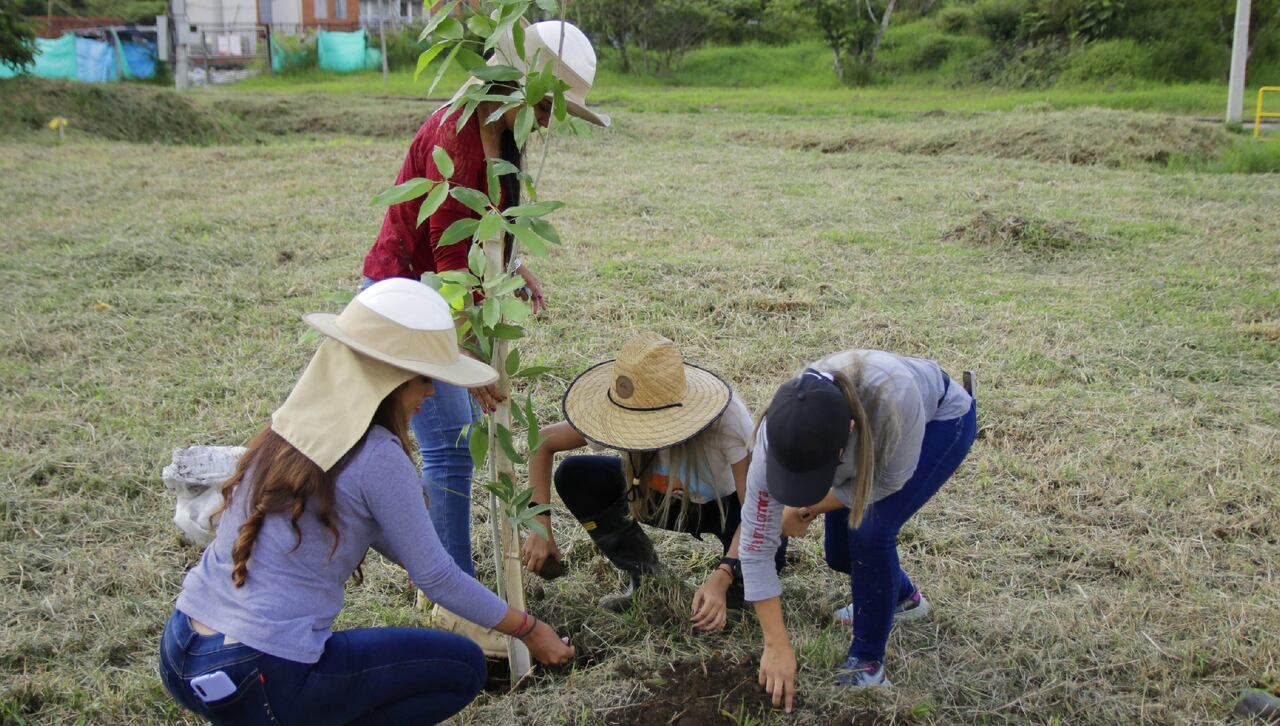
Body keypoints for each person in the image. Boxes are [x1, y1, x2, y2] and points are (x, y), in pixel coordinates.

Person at [158, 279, 574, 725]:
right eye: (424, 380)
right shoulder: (377, 455)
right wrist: (529, 630)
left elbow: (409, 552)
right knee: (460, 666)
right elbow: (436, 577)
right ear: (389, 381)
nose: (430, 393)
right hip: (259, 674)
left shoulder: (290, 430)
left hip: (182, 649)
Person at [359, 21, 609, 594]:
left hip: (443, 298)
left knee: (462, 443)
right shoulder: (456, 136)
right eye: (549, 103)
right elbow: (449, 267)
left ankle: (457, 586)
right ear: (518, 85)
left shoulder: (504, 132)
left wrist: (512, 264)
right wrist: (472, 361)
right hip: (405, 299)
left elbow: (485, 231)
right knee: (450, 450)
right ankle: (457, 598)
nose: (551, 119)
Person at [740, 349, 977, 711]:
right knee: (839, 555)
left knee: (869, 533)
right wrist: (775, 644)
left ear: (847, 434)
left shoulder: (894, 403)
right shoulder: (777, 436)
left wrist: (806, 508)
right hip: (860, 441)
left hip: (939, 422)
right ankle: (903, 598)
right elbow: (755, 543)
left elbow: (887, 484)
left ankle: (868, 663)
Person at [522, 332, 786, 631]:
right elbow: (541, 442)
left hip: (729, 510)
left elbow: (757, 510)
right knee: (577, 475)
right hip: (652, 497)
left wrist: (724, 574)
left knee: (748, 586)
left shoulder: (727, 420)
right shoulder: (621, 412)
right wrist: (538, 523)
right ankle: (644, 577)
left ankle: (736, 591)